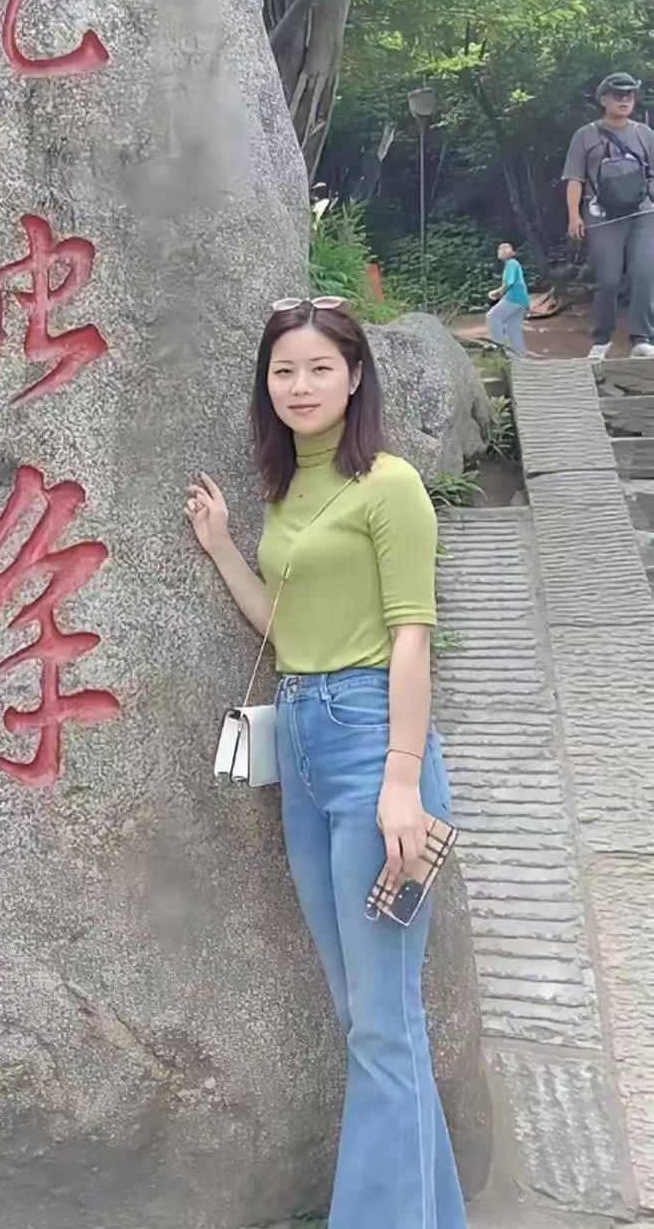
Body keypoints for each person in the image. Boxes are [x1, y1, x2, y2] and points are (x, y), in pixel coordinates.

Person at [185, 297, 466, 1229]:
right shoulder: (286, 489)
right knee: (367, 1020)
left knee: (385, 1021)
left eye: (318, 368)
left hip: (374, 749)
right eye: (283, 370)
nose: (300, 385)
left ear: (354, 377)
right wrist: (223, 546)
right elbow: (284, 625)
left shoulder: (390, 486)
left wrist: (401, 782)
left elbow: (413, 639)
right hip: (302, 744)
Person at [562, 71, 654, 361]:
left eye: (629, 95)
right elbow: (574, 178)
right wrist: (574, 216)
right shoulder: (585, 135)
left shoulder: (644, 133)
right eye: (618, 95)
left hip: (642, 212)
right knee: (609, 279)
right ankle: (602, 339)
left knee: (644, 275)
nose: (624, 100)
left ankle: (642, 337)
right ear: (603, 99)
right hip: (601, 215)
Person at [486, 241, 530, 356]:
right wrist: (500, 293)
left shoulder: (511, 264)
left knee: (492, 316)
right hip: (522, 300)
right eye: (499, 249)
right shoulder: (513, 264)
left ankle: (499, 346)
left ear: (508, 252)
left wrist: (497, 292)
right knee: (512, 328)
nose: (499, 252)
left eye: (502, 249)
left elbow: (509, 283)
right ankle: (521, 354)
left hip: (514, 298)